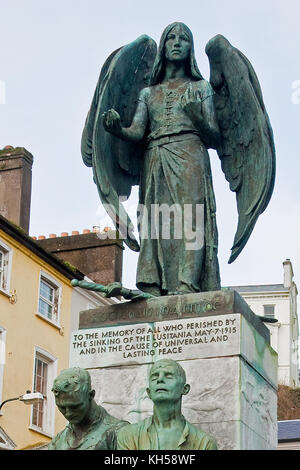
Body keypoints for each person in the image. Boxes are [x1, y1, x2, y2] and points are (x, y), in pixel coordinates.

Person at [103, 22, 221, 298]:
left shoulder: (201, 87)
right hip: (155, 156)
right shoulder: (148, 93)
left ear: (191, 48)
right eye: (171, 38)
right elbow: (136, 131)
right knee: (155, 221)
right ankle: (152, 283)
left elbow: (215, 136)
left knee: (191, 219)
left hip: (190, 151)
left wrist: (198, 117)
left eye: (184, 39)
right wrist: (117, 128)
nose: (177, 42)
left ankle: (186, 284)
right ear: (163, 46)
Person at [117, 359, 217, 450]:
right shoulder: (128, 435)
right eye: (154, 377)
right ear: (149, 392)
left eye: (169, 376)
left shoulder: (204, 443)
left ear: (184, 389)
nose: (160, 379)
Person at [48, 367, 128, 450]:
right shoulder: (57, 443)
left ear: (91, 395)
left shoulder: (119, 433)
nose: (68, 413)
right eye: (62, 407)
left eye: (75, 407)